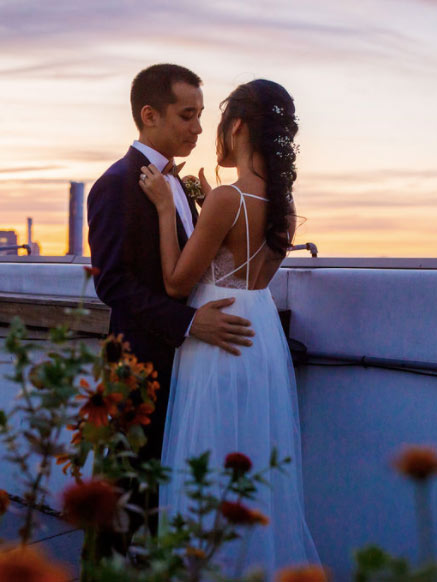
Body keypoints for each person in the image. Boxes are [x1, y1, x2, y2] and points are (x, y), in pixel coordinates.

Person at [139, 79, 320, 575]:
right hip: (259, 337)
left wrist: (163, 209)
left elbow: (178, 284)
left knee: (209, 462)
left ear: (236, 126)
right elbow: (245, 274)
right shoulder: (282, 209)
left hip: (218, 341)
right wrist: (209, 211)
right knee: (252, 465)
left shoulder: (226, 200)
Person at [86, 64, 255, 544]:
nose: (199, 128)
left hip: (184, 366)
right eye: (187, 115)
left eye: (201, 115)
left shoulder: (178, 185)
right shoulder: (116, 184)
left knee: (164, 495)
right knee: (125, 498)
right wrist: (188, 324)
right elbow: (112, 284)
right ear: (149, 115)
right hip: (141, 363)